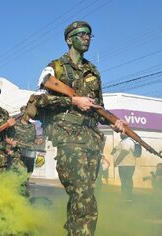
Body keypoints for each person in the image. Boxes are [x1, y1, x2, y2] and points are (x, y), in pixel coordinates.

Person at [29, 21, 126, 235]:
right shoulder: (55, 67)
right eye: (81, 34)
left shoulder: (93, 71)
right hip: (68, 138)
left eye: (89, 34)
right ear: (68, 39)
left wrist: (115, 122)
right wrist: (72, 101)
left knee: (83, 196)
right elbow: (37, 101)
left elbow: (98, 109)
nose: (86, 37)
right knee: (83, 196)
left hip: (91, 141)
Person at [6, 105, 37, 173]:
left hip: (29, 155)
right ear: (22, 114)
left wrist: (38, 141)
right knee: (17, 175)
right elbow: (5, 138)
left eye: (30, 114)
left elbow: (34, 140)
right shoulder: (14, 125)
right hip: (17, 155)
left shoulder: (32, 126)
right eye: (27, 114)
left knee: (27, 175)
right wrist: (8, 149)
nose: (29, 116)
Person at [112, 133, 137, 201]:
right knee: (125, 181)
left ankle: (128, 197)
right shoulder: (123, 141)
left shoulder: (127, 141)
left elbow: (124, 152)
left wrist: (117, 162)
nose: (120, 134)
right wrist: (114, 150)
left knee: (126, 181)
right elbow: (118, 148)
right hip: (124, 165)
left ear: (127, 134)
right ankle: (125, 196)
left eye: (122, 133)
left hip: (127, 165)